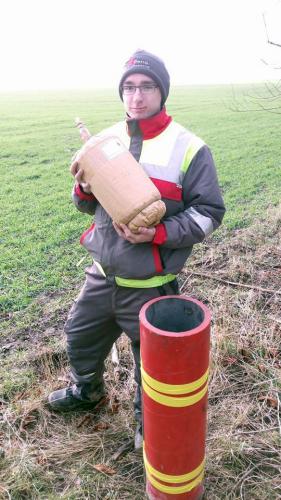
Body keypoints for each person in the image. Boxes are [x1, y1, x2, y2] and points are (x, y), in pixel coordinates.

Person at [47, 49, 225, 450]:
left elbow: (210, 213)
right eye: (129, 87)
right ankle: (87, 392)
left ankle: (151, 424)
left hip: (150, 285)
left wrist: (158, 234)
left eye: (147, 86)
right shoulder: (105, 141)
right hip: (101, 276)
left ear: (162, 92)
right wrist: (84, 188)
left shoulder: (189, 147)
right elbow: (85, 205)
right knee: (79, 339)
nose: (136, 96)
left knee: (153, 367)